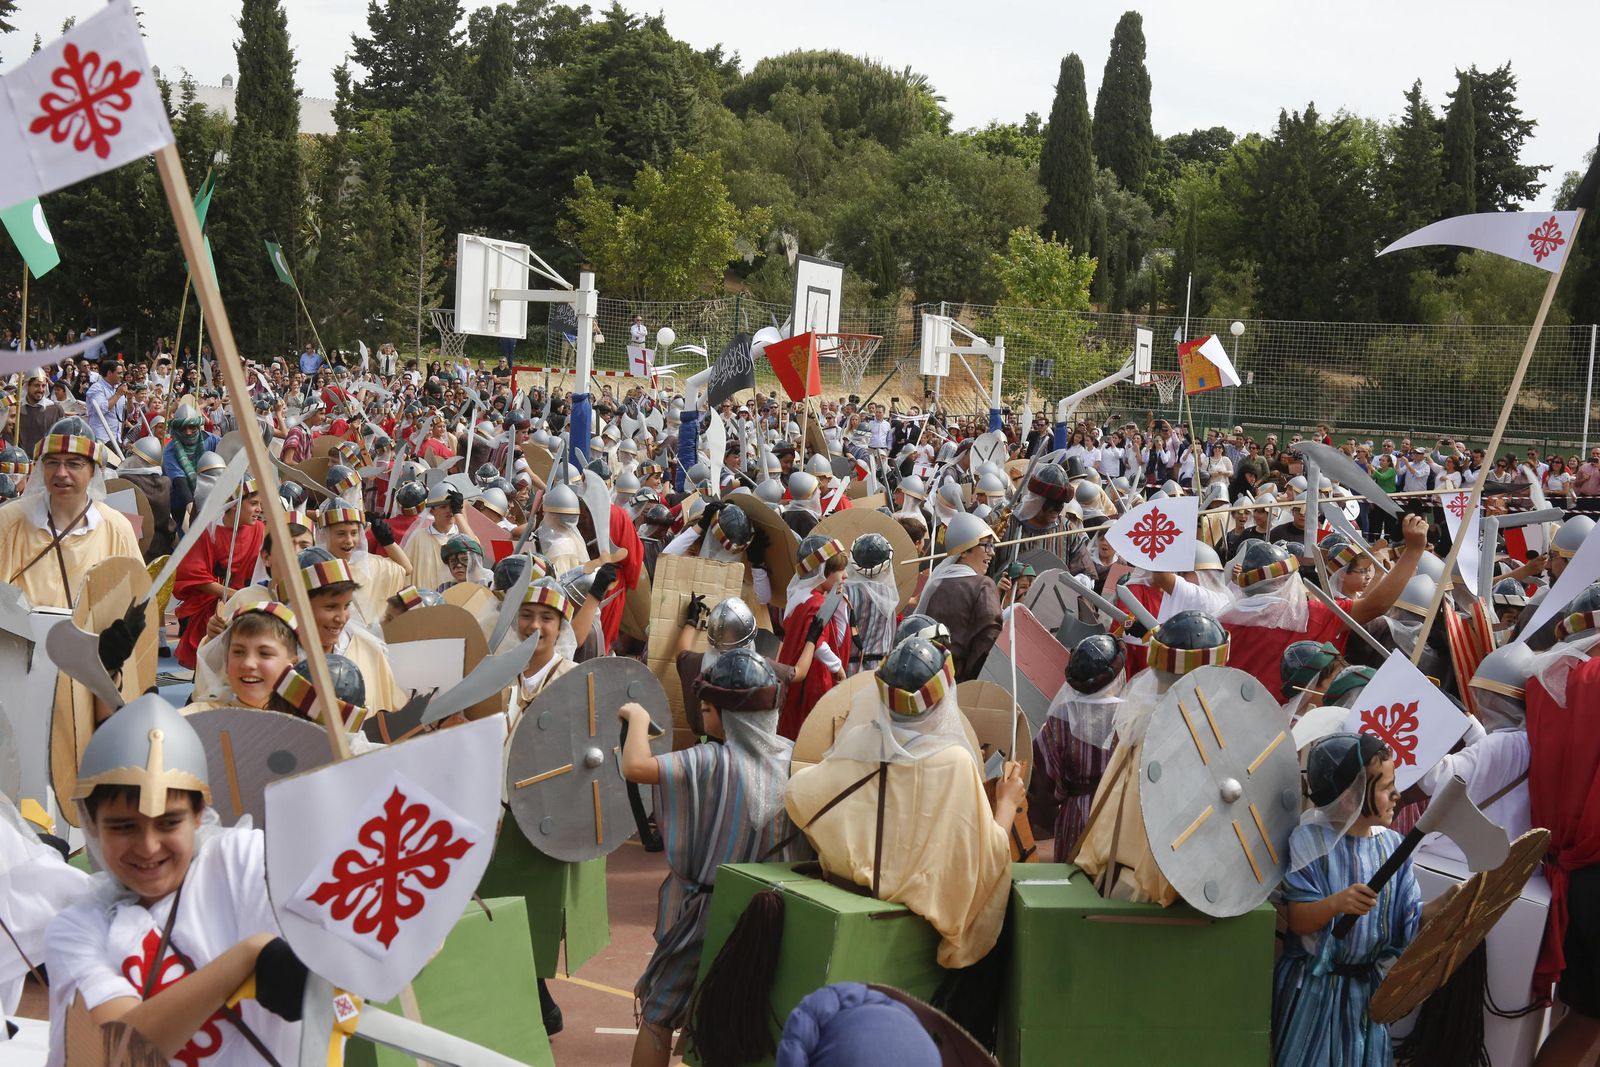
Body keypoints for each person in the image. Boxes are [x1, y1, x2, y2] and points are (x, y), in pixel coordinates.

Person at [45, 695, 307, 1067]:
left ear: (199, 813)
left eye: (169, 823)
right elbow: (115, 1055)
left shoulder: (244, 862)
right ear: (91, 823)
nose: (148, 847)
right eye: (123, 827)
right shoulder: (76, 929)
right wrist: (249, 956)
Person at [784, 637, 1020, 967]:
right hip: (907, 942)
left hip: (837, 908)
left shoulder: (857, 742)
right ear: (942, 700)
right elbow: (986, 860)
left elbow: (798, 794)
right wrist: (1007, 804)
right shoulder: (954, 763)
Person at [622, 648, 803, 1067]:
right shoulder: (798, 759)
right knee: (743, 1016)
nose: (702, 716)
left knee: (659, 1010)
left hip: (706, 908)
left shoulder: (709, 758)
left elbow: (635, 766)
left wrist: (636, 719)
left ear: (729, 714)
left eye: (706, 709)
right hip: (776, 912)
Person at [1272, 732, 1421, 1067]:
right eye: (1385, 788)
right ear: (1351, 799)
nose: (1397, 795)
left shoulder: (1394, 846)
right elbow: (1298, 920)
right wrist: (1335, 904)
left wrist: (1459, 903)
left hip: (1364, 994)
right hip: (1313, 990)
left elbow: (1409, 917)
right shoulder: (1308, 841)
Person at [1220, 515, 1428, 704]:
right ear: (1286, 581)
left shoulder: (1221, 623)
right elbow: (1376, 605)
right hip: (1291, 727)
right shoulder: (1311, 616)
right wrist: (1413, 551)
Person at [1526, 587, 1600, 1067]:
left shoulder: (1545, 680)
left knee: (1582, 1009)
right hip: (1595, 864)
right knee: (1588, 1017)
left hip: (1567, 872)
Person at [0, 417, 141, 609]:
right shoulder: (9, 520)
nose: (61, 473)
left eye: (74, 464)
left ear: (93, 471)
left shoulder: (116, 529)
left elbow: (133, 604)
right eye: (52, 462)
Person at [1034, 634, 1125, 859]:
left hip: (1074, 819)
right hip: (1118, 820)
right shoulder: (1131, 720)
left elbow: (1044, 783)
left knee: (1072, 883)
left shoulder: (1058, 722)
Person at [172, 475, 264, 669]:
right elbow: (193, 573)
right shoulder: (207, 531)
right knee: (207, 662)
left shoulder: (259, 530)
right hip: (214, 609)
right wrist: (231, 594)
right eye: (254, 503)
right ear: (234, 504)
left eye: (260, 504)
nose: (259, 510)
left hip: (245, 606)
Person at [776, 535, 852, 740]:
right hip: (812, 677)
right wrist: (837, 666)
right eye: (839, 570)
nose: (845, 575)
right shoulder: (815, 603)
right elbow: (816, 642)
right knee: (809, 731)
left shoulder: (799, 594)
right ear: (822, 572)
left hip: (794, 667)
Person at [916, 513, 1002, 682]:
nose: (991, 553)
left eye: (992, 547)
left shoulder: (937, 583)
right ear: (964, 551)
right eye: (986, 546)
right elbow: (989, 640)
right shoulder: (984, 585)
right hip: (959, 681)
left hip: (927, 675)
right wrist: (969, 682)